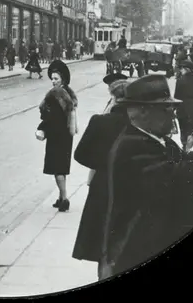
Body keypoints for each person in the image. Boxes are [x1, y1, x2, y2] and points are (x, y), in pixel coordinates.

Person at [99, 75, 193, 279]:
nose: (174, 113)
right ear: (142, 111)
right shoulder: (131, 147)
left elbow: (192, 162)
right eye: (166, 108)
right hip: (138, 251)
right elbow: (179, 178)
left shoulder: (158, 141)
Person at [72, 75, 130, 271]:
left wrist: (103, 164)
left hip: (103, 185)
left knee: (102, 243)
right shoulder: (136, 124)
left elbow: (80, 154)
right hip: (130, 186)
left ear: (113, 98)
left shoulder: (99, 121)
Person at [37, 60, 78, 212]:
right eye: (52, 79)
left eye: (56, 79)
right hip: (67, 135)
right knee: (62, 167)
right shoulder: (69, 92)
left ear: (62, 79)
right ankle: (61, 197)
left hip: (56, 135)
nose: (53, 81)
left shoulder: (55, 95)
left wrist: (42, 129)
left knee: (57, 168)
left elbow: (51, 117)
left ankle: (65, 198)